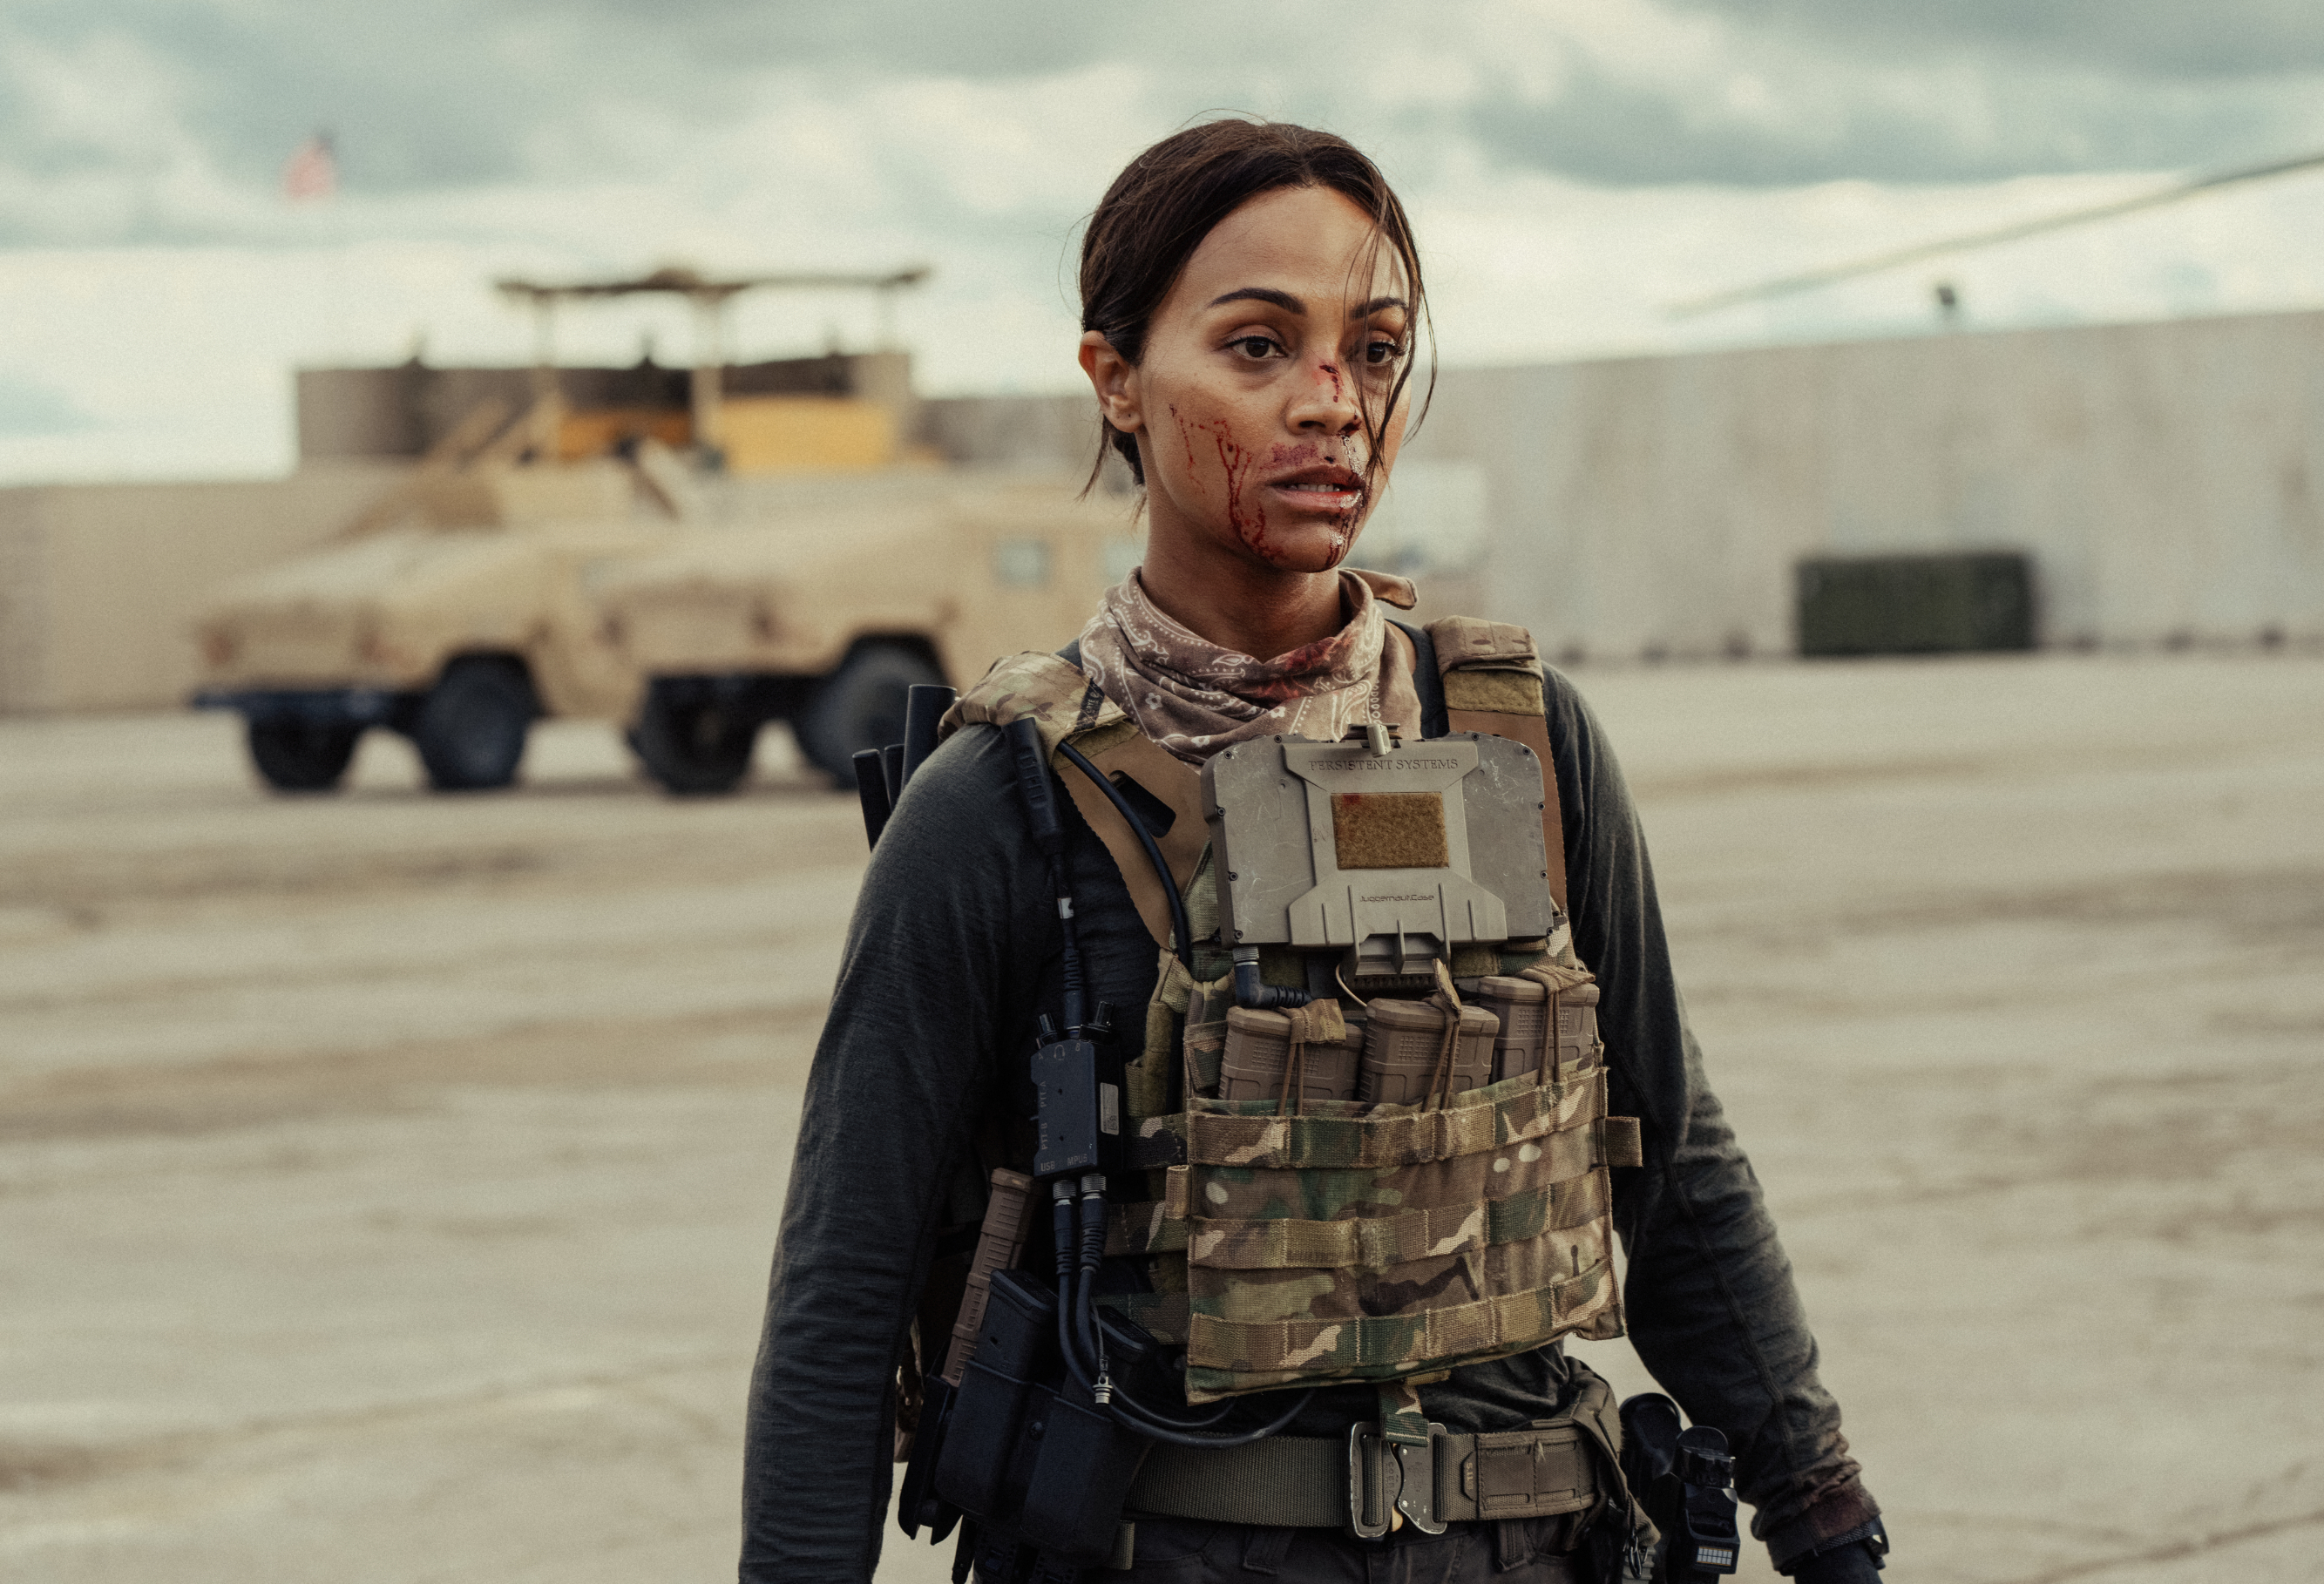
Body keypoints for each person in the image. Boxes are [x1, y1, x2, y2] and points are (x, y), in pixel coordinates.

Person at [742, 119, 1887, 1584]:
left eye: (1376, 350)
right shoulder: (1003, 799)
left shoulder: (1526, 744)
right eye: (1261, 348)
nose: (1335, 405)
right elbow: (847, 1285)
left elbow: (1674, 1159)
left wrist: (1826, 1510)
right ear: (1117, 383)